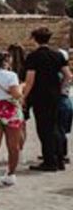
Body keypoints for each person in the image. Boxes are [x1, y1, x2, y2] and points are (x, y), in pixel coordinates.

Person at [23, 26, 70, 171]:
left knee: (44, 129)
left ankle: (50, 161)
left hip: (39, 96)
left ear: (35, 40)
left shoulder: (33, 57)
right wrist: (60, 87)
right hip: (55, 95)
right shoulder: (58, 55)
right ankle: (59, 159)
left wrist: (24, 96)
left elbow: (30, 80)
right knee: (55, 126)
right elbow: (68, 75)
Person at [0, 51, 24, 186]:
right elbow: (16, 94)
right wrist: (22, 87)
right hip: (11, 110)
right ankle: (11, 174)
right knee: (13, 145)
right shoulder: (11, 75)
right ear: (5, 62)